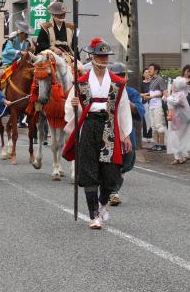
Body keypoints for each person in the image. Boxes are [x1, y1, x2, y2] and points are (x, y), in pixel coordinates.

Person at [63, 38, 132, 229]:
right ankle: (94, 215)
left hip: (109, 127)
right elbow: (70, 108)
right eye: (100, 56)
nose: (103, 60)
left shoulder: (118, 83)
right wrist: (76, 106)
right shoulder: (81, 82)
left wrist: (125, 134)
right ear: (92, 57)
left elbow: (123, 108)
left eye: (105, 56)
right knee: (89, 171)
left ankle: (102, 206)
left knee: (111, 175)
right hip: (88, 127)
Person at [108, 62, 145, 206]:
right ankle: (113, 191)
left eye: (123, 75)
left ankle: (113, 190)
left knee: (126, 163)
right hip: (108, 131)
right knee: (110, 163)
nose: (121, 78)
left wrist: (125, 101)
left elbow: (139, 110)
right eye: (118, 75)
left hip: (126, 133)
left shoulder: (132, 92)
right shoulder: (105, 90)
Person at [0, 20, 32, 88]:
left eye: (27, 34)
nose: (26, 35)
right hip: (8, 64)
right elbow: (8, 50)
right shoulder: (12, 40)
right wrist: (19, 52)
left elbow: (27, 54)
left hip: (20, 65)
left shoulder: (27, 43)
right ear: (20, 33)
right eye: (25, 34)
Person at [166, 77, 190, 164]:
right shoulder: (178, 94)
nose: (172, 86)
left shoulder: (180, 94)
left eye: (174, 84)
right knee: (178, 137)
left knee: (175, 138)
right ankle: (183, 155)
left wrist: (167, 96)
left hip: (180, 120)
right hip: (178, 119)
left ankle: (179, 157)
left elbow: (174, 102)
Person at [141, 63, 167, 151]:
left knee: (159, 125)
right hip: (151, 105)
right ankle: (156, 145)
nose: (149, 71)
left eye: (151, 69)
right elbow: (152, 92)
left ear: (156, 70)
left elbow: (163, 92)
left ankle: (162, 145)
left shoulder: (160, 79)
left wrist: (150, 97)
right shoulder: (151, 80)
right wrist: (145, 94)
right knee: (153, 126)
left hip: (158, 105)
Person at [141, 68, 152, 141]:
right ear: (143, 74)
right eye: (146, 72)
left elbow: (155, 92)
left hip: (153, 102)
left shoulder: (153, 82)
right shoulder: (141, 83)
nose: (147, 73)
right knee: (145, 119)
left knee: (152, 119)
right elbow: (139, 93)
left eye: (148, 72)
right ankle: (145, 136)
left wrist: (147, 94)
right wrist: (146, 94)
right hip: (144, 102)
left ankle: (151, 136)